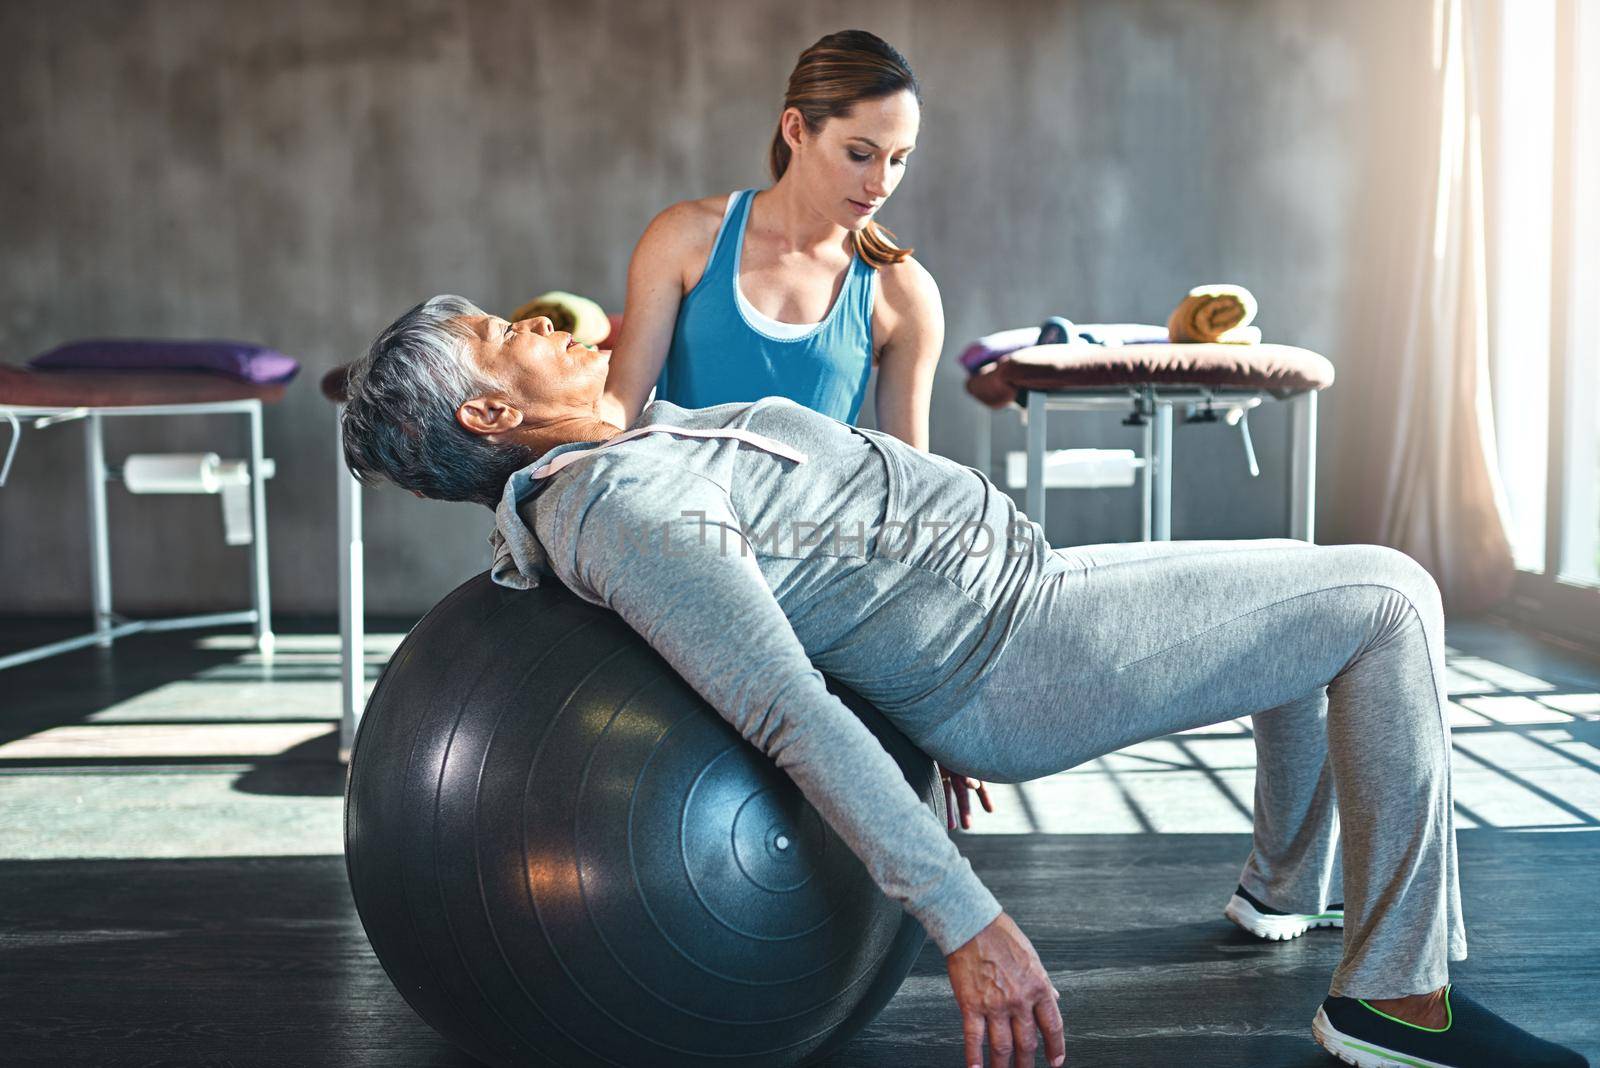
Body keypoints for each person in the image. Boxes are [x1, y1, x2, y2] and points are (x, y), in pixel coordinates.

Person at [338, 296, 1588, 1068]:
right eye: (517, 334)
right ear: (494, 413)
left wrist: (905, 697)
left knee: (1317, 584)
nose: (549, 324)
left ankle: (1283, 895)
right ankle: (1395, 1000)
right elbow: (776, 706)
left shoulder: (626, 457)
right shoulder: (622, 506)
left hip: (1018, 592)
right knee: (1389, 598)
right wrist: (967, 924)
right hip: (1019, 647)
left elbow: (781, 601)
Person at [598, 30, 942, 450]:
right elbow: (620, 404)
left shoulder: (904, 292)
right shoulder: (684, 237)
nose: (882, 182)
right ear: (796, 130)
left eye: (898, 158)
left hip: (814, 517)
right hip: (681, 511)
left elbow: (909, 475)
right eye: (860, 154)